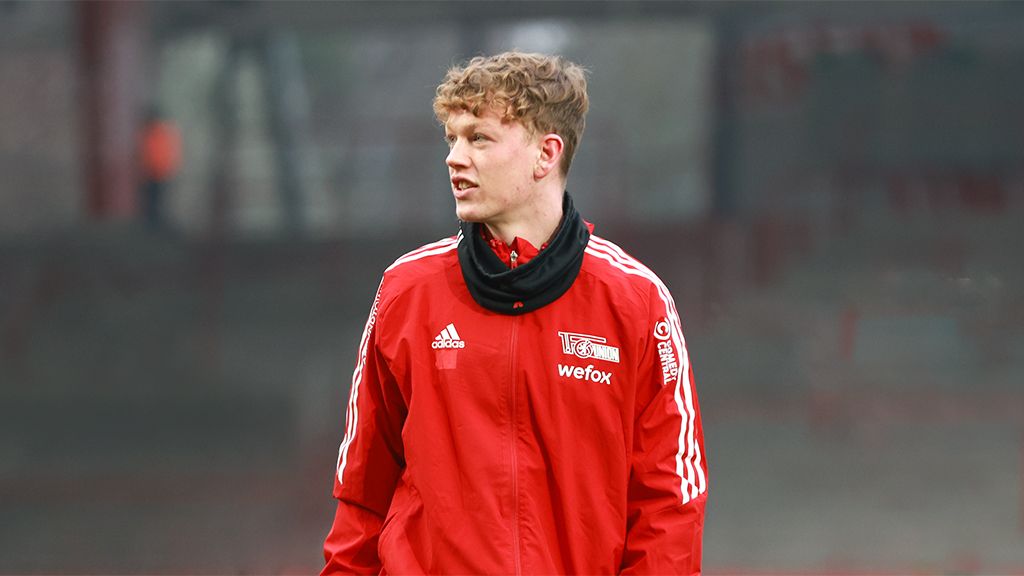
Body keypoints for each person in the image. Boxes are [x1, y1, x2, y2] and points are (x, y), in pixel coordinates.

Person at [322, 52, 707, 575]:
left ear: (546, 154)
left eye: (478, 138)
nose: (455, 158)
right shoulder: (405, 290)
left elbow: (670, 503)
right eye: (452, 138)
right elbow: (362, 489)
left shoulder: (637, 300)